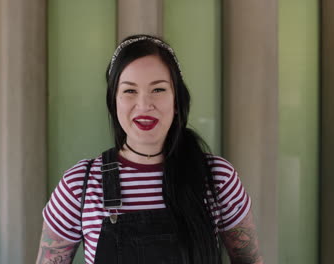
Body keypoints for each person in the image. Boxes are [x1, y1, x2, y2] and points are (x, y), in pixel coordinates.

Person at [36, 34, 263, 264]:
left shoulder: (217, 178)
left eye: (158, 90)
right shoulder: (81, 185)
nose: (144, 105)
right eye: (129, 91)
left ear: (177, 101)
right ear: (114, 103)